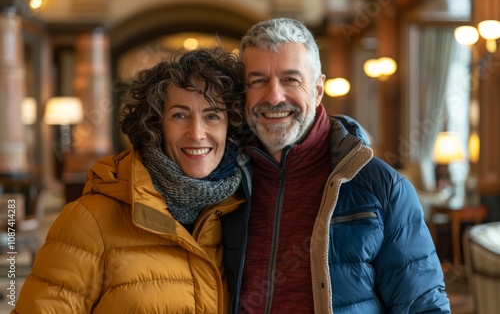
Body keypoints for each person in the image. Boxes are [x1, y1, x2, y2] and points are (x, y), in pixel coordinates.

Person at [225, 17, 451, 313]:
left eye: (291, 79)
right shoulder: (222, 180)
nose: (274, 96)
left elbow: (424, 307)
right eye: (258, 81)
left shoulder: (382, 187)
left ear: (318, 90)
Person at [12, 47, 247, 313]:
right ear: (155, 125)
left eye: (212, 115)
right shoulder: (89, 221)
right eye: (179, 115)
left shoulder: (240, 211)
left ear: (231, 127)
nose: (196, 133)